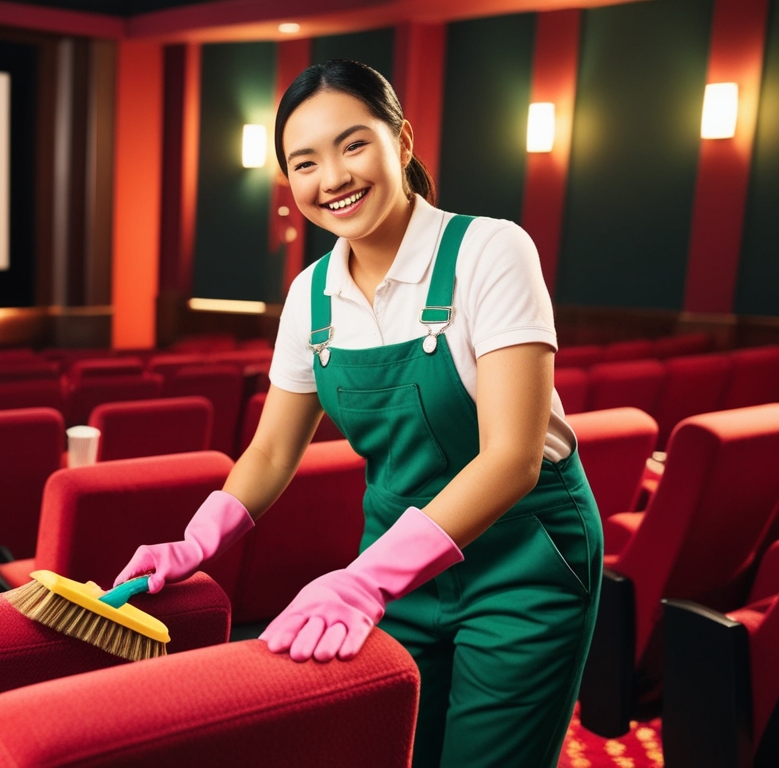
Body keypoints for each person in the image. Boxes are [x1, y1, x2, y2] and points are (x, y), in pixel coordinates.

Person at [114, 59, 603, 768]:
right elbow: (273, 452)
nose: (332, 178)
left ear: (401, 142)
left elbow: (512, 458)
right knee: (391, 751)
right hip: (395, 570)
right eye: (304, 162)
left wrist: (367, 578)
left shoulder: (491, 251)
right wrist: (197, 541)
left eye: (352, 145)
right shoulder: (311, 297)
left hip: (524, 565)